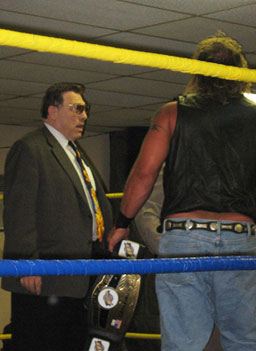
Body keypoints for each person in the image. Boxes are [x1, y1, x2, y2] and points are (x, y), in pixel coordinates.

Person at [108, 31, 256, 351]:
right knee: (244, 340)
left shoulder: (172, 113)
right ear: (240, 72)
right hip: (240, 236)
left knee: (183, 342)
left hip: (185, 235)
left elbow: (144, 174)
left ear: (197, 73)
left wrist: (122, 223)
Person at [2, 82, 112, 351]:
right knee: (40, 343)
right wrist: (26, 263)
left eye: (85, 110)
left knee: (73, 343)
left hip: (80, 274)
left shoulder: (75, 151)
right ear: (53, 111)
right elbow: (19, 210)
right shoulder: (30, 148)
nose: (84, 116)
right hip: (46, 275)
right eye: (77, 108)